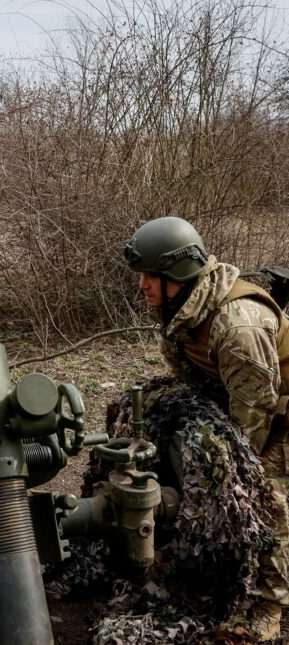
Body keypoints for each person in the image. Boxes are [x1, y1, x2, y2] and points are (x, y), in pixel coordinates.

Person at [124, 216, 289, 641]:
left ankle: (268, 602)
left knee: (258, 493)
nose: (141, 285)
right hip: (238, 400)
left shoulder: (237, 325)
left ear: (176, 274)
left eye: (149, 276)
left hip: (276, 415)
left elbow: (255, 416)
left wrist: (227, 474)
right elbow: (194, 381)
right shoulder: (182, 308)